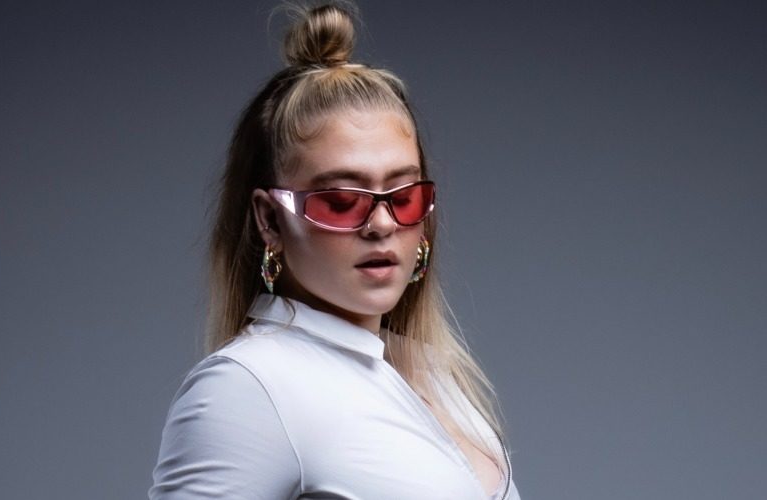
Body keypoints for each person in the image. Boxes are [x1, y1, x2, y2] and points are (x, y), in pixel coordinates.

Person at [149, 2, 518, 498]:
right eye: (342, 202)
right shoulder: (248, 388)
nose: (382, 224)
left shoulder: (434, 373)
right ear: (270, 219)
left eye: (404, 197)